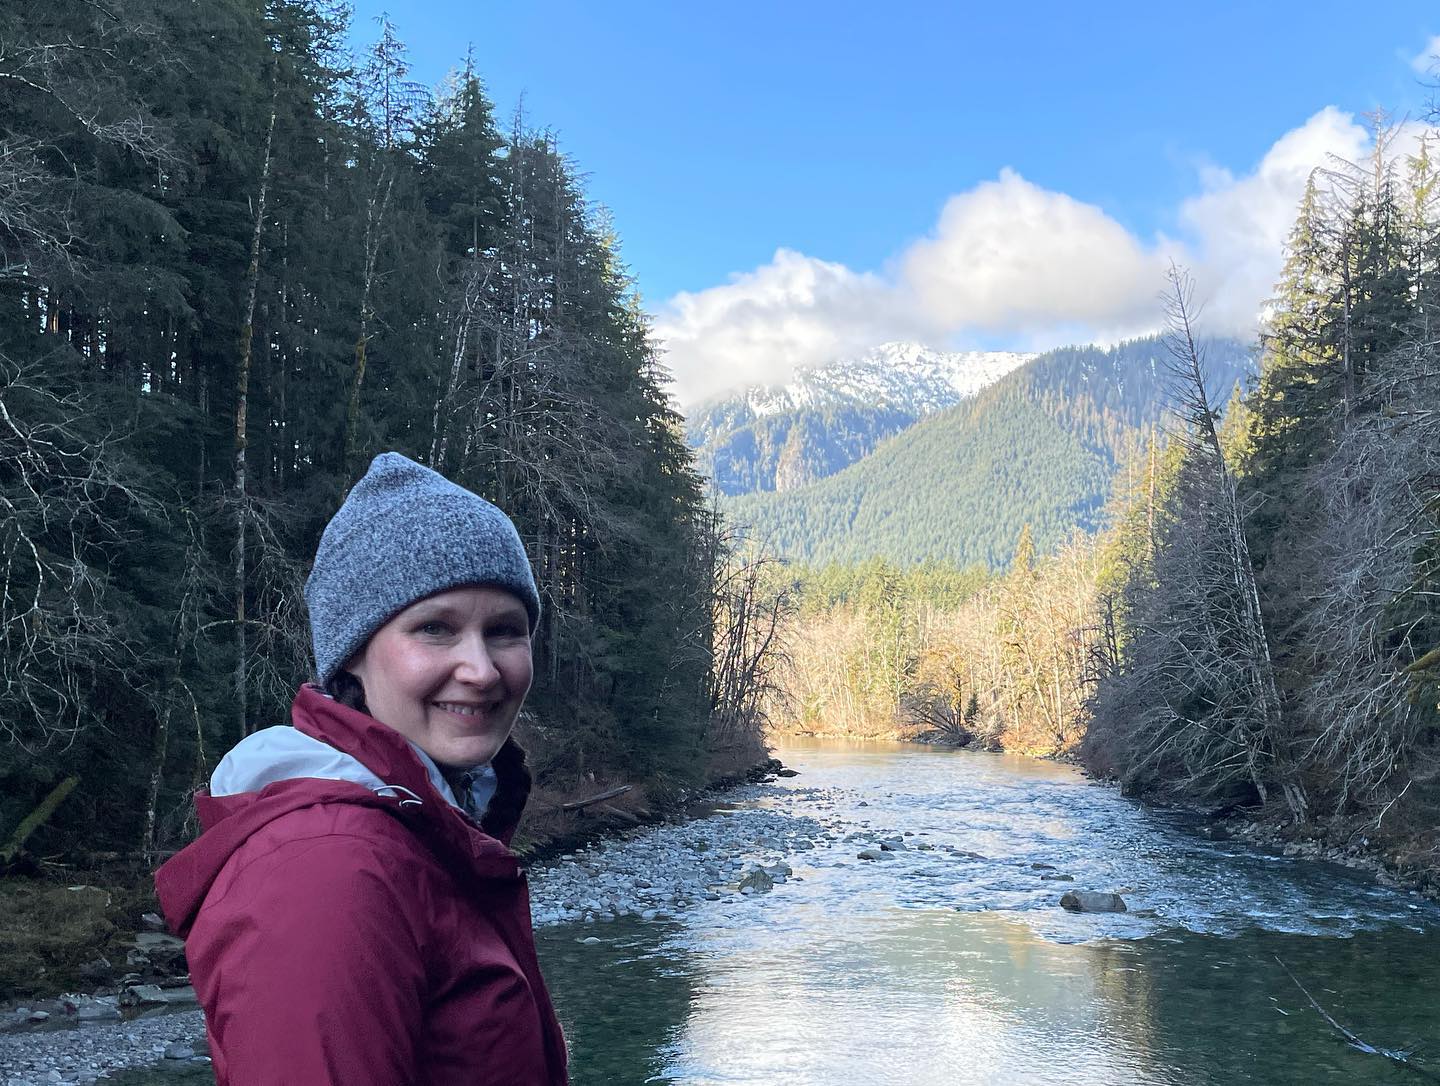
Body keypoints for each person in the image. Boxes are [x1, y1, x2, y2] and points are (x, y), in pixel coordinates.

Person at [155, 452, 569, 1085]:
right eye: (435, 628)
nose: (482, 670)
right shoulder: (325, 866)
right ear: (352, 655)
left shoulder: (424, 830)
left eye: (506, 631)